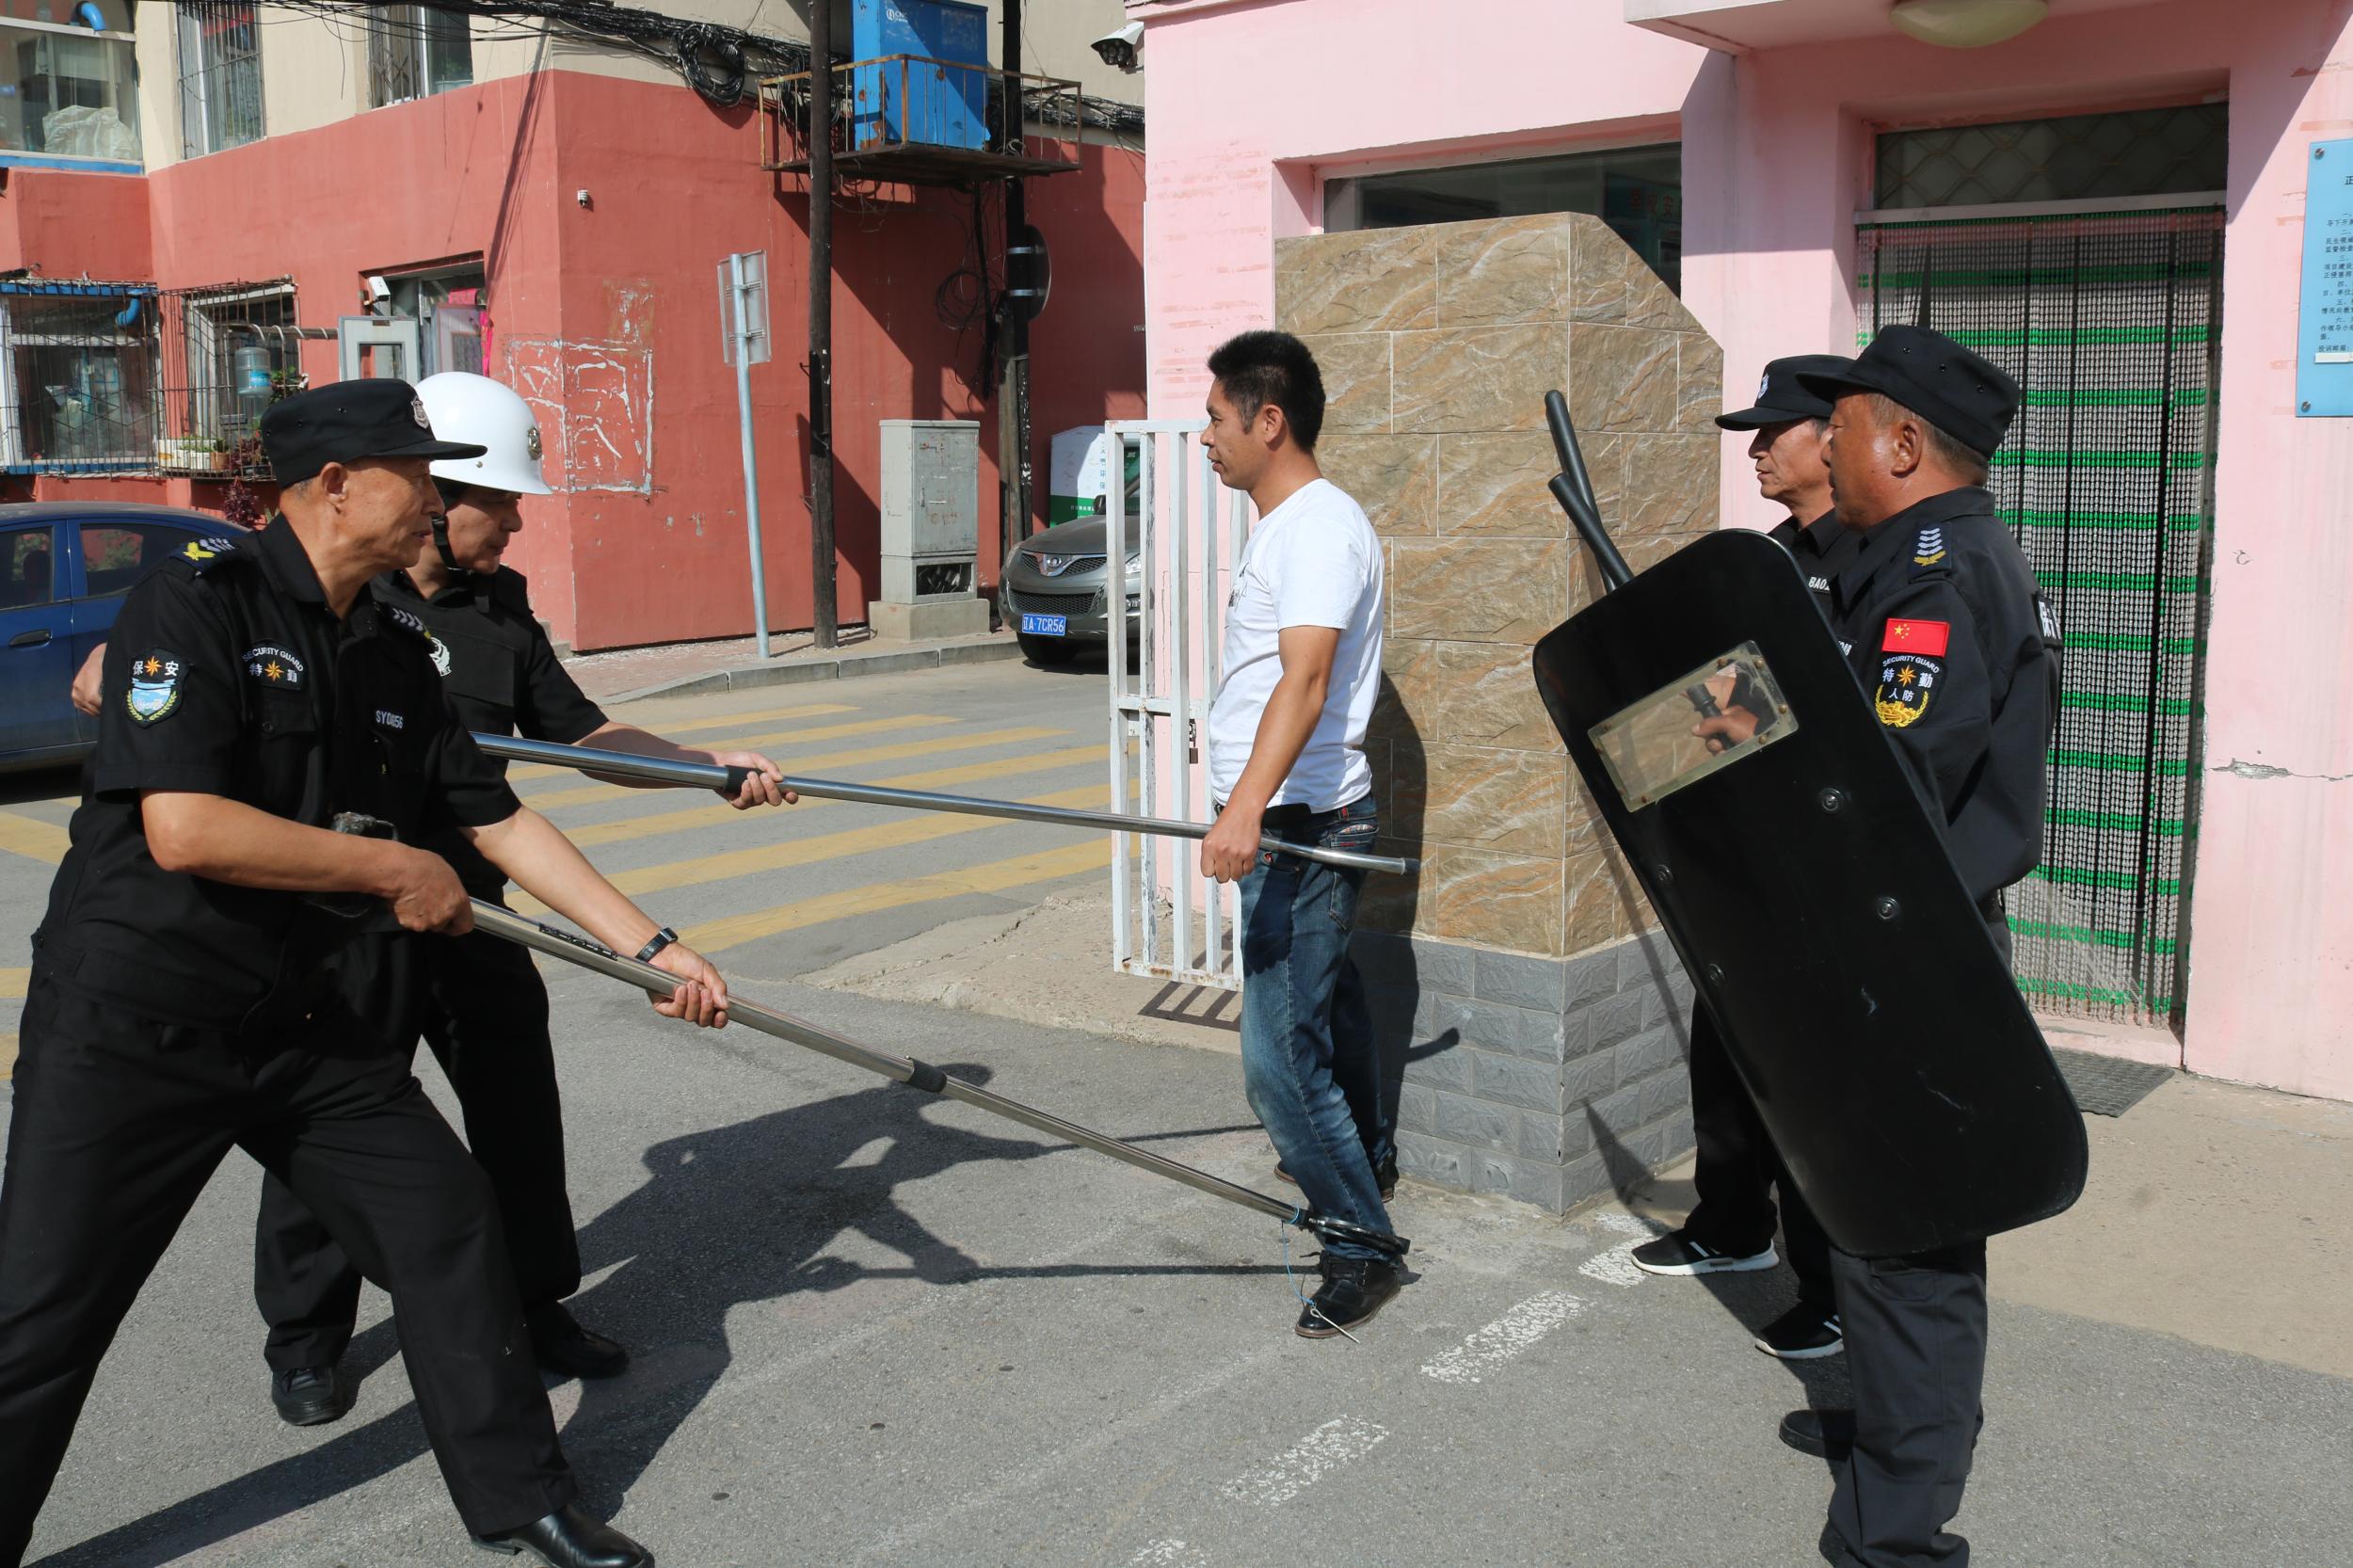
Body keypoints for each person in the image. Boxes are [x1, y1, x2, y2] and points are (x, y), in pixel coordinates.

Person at [0, 380, 723, 1568]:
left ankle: (522, 1498)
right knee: (44, 1312)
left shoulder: (389, 651)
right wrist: (391, 868)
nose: (436, 499)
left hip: (298, 1021)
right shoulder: (193, 607)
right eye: (418, 475)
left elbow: (490, 816)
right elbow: (185, 828)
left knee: (448, 1226)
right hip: (135, 1025)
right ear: (336, 486)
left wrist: (647, 946)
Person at [248, 370, 791, 1424]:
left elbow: (580, 736)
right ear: (431, 495)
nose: (515, 521)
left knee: (516, 1106)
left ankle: (536, 1303)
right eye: (499, 501)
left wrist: (697, 760)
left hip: (477, 904)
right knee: (330, 1128)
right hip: (346, 919)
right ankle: (305, 1336)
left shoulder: (500, 609)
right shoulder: (337, 585)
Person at [1769, 326, 2060, 1568]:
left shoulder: (1935, 574)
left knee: (1907, 1245)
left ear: (1900, 441)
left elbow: (1885, 790)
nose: (1824, 442)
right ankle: (1902, 1451)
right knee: (1887, 1236)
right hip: (1895, 948)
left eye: (1842, 424)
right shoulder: (1901, 559)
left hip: (1910, 957)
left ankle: (1900, 1533)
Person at [1629, 356, 1850, 1363]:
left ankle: (1835, 1288)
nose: (1756, 450)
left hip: (1826, 878)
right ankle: (1729, 1226)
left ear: (1832, 440)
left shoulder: (1874, 562)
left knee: (1815, 1090)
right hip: (1751, 868)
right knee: (1728, 1057)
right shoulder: (1774, 555)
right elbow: (1734, 706)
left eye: (1773, 432)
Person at [1195, 329, 1400, 1338]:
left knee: (1277, 1063)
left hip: (1300, 821)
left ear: (1267, 420)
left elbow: (1306, 680)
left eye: (1216, 418)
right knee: (1327, 1007)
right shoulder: (1290, 523)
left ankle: (1361, 1239)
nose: (1204, 436)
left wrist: (1243, 808)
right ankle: (1365, 1154)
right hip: (1287, 811)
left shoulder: (1318, 526)